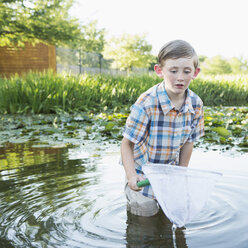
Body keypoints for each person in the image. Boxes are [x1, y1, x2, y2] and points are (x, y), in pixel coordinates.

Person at [120, 40, 204, 217]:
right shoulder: (147, 103)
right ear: (160, 71)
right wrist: (131, 176)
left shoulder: (196, 104)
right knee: (145, 220)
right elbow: (127, 144)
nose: (180, 77)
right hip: (142, 177)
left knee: (170, 219)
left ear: (195, 73)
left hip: (169, 178)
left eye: (186, 71)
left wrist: (181, 173)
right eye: (173, 71)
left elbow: (189, 142)